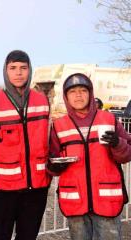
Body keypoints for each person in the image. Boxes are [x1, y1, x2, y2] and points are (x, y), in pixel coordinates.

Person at [48, 73, 131, 240]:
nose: (78, 95)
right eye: (72, 91)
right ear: (66, 97)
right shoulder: (58, 125)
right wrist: (54, 167)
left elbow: (127, 154)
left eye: (83, 90)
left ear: (90, 94)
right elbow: (51, 159)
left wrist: (117, 143)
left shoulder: (109, 119)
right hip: (75, 200)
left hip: (107, 199)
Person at [0, 50, 51, 240]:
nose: (18, 73)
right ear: (6, 71)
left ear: (30, 71)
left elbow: (49, 141)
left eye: (23, 68)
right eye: (13, 68)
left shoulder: (43, 102)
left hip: (36, 189)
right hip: (1, 190)